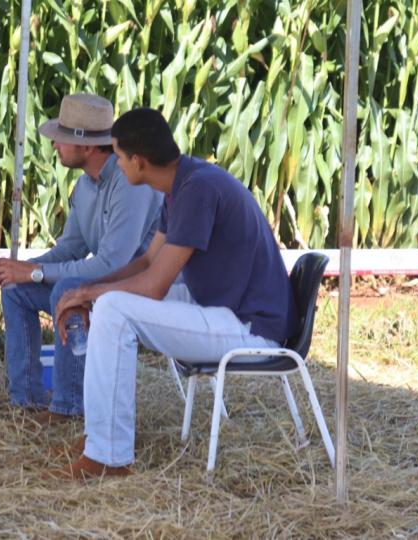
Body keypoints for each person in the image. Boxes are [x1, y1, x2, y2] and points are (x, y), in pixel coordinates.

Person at [50, 108, 299, 479]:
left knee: (115, 308)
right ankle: (98, 440)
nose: (117, 164)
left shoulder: (196, 188)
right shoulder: (182, 183)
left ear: (139, 160)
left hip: (249, 327)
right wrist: (89, 294)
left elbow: (154, 285)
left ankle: (108, 458)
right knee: (109, 305)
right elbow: (149, 260)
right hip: (222, 308)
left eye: (118, 156)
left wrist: (93, 291)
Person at [0, 94, 162, 425]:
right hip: (108, 284)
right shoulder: (85, 186)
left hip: (140, 286)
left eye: (63, 138)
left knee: (65, 290)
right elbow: (69, 248)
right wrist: (20, 272)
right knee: (15, 290)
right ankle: (25, 400)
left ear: (88, 147)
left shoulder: (130, 185)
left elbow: (112, 264)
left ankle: (69, 406)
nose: (55, 145)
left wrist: (36, 272)